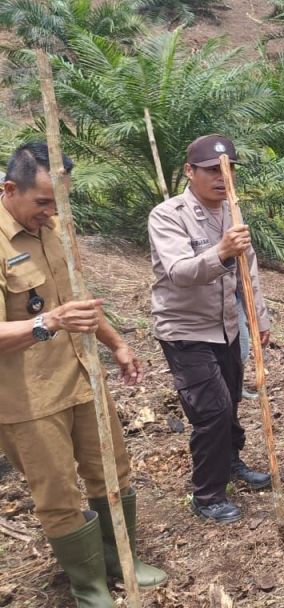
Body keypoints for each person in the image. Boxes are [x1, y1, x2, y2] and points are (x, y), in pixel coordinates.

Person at [2, 142, 166, 606]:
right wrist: (46, 323)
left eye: (59, 203)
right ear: (10, 188)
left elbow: (80, 300)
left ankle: (119, 560)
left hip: (81, 378)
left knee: (111, 470)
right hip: (27, 398)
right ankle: (89, 586)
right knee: (57, 494)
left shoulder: (54, 230)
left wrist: (116, 343)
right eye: (43, 202)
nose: (51, 212)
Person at [149, 134, 273, 524]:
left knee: (231, 399)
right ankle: (207, 494)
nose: (223, 177)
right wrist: (221, 251)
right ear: (190, 171)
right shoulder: (168, 215)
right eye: (212, 170)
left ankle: (231, 461)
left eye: (229, 169)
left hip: (227, 326)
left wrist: (260, 319)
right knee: (212, 409)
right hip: (186, 330)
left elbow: (247, 274)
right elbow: (179, 273)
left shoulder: (232, 213)